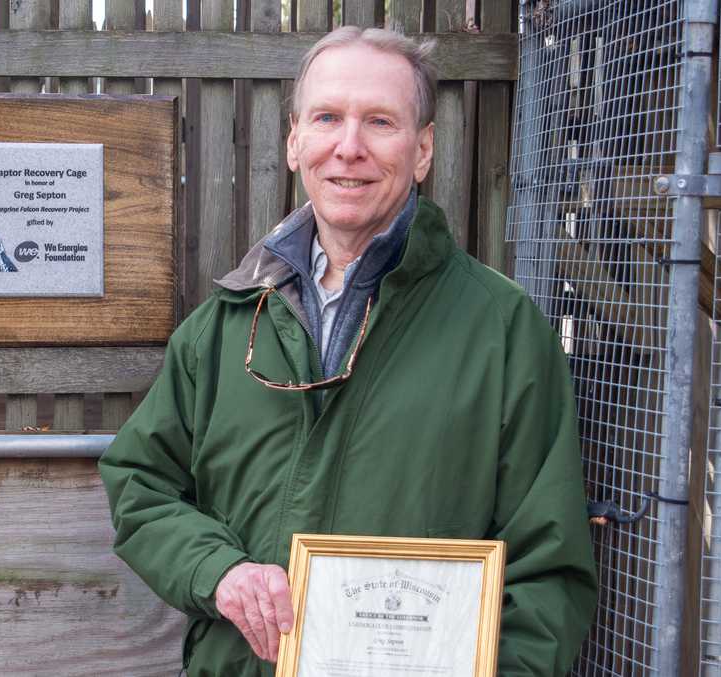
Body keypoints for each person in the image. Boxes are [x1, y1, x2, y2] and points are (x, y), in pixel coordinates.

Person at [99, 26, 597, 677]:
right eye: (327, 117)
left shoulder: (502, 332)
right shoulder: (223, 325)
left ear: (421, 150)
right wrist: (218, 570)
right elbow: (141, 483)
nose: (349, 146)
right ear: (295, 142)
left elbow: (548, 569)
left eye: (380, 121)